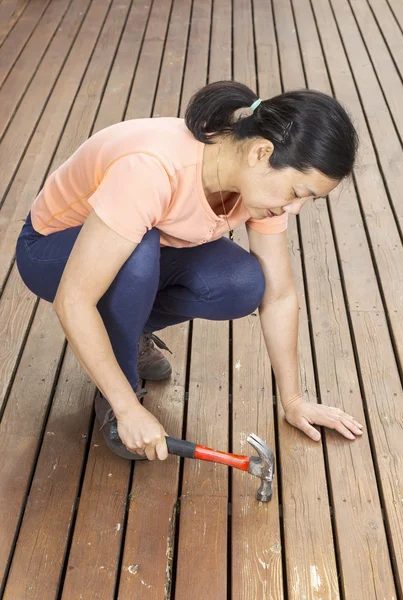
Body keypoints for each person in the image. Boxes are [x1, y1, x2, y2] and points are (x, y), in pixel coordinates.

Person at [16, 80, 363, 462]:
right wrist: (129, 408)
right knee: (139, 253)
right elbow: (73, 300)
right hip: (51, 251)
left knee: (243, 283)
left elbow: (278, 295)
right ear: (262, 152)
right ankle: (117, 398)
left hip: (135, 248)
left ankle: (126, 335)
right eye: (298, 193)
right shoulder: (152, 169)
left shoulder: (258, 187)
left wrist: (294, 400)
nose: (295, 209)